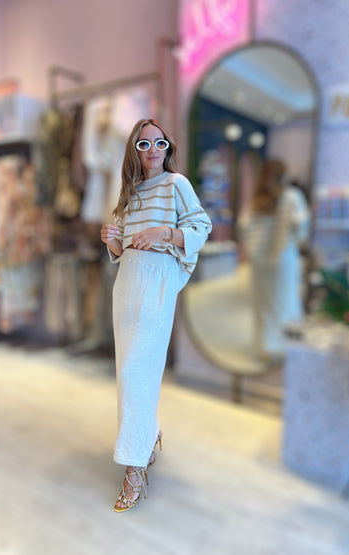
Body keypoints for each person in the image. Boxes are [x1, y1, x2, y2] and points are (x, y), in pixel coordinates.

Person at [100, 119, 212, 512]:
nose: (152, 150)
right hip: (128, 281)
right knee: (130, 369)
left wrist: (163, 232)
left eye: (159, 142)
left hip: (157, 278)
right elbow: (122, 250)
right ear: (134, 150)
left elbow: (201, 225)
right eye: (143, 144)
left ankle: (134, 467)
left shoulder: (177, 183)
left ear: (168, 147)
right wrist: (113, 242)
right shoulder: (129, 192)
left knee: (136, 369)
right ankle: (146, 439)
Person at [238, 159, 311, 364]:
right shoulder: (292, 196)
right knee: (285, 301)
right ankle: (285, 348)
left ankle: (264, 347)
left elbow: (243, 226)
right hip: (284, 259)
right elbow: (301, 227)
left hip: (259, 262)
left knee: (263, 303)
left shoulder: (256, 200)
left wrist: (254, 246)